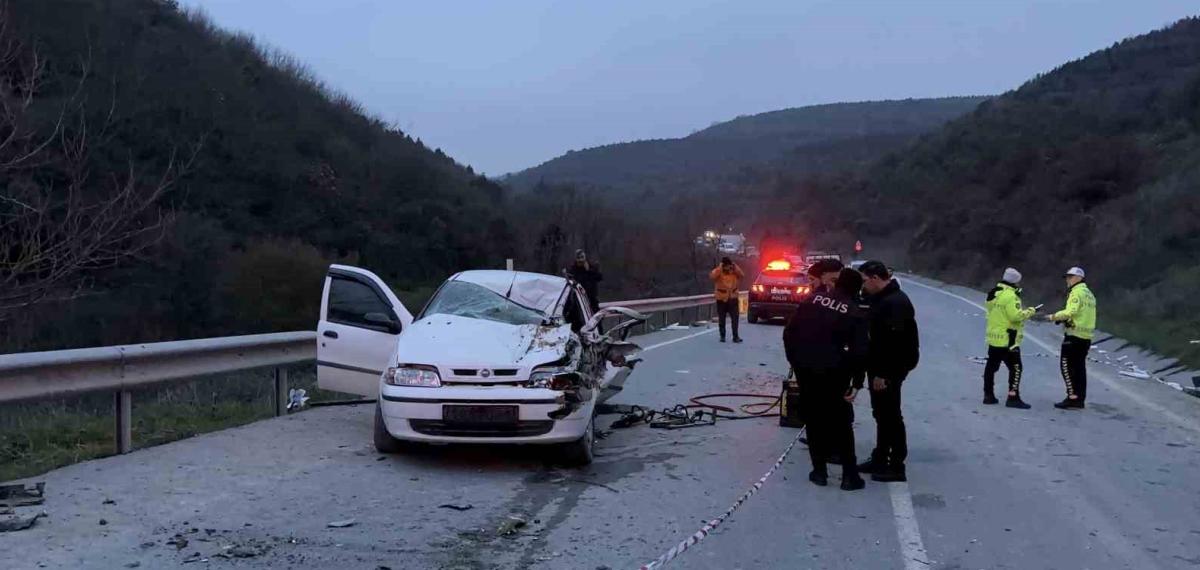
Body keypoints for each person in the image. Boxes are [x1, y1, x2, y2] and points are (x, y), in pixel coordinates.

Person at [783, 267, 868, 491]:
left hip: (806, 370)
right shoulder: (855, 312)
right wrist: (857, 383)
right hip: (836, 373)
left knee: (813, 421)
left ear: (838, 283)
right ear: (856, 289)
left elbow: (789, 333)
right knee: (842, 424)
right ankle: (849, 476)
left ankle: (819, 472)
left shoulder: (811, 300)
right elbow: (860, 352)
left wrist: (795, 361)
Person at [856, 260, 919, 483]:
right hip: (878, 365)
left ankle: (896, 465)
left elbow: (894, 343)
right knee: (881, 414)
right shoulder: (881, 299)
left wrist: (883, 374)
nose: (862, 285)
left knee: (890, 415)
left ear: (875, 278)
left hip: (891, 367)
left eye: (864, 280)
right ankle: (880, 457)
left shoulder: (895, 303)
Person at [982, 268, 1036, 409]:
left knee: (991, 367)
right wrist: (1031, 311)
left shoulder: (994, 293)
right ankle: (1013, 397)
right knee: (1016, 368)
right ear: (1015, 282)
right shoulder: (1011, 296)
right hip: (1008, 339)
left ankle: (988, 395)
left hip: (994, 337)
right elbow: (1015, 316)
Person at [1050, 266, 1096, 410]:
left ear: (1078, 278)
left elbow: (1070, 311)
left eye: (1070, 277)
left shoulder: (1076, 292)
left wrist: (1053, 317)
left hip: (1074, 336)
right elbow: (1082, 314)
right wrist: (1067, 320)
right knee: (1080, 368)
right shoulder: (1090, 294)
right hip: (1086, 337)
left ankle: (1072, 397)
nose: (1067, 280)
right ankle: (1080, 399)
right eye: (1067, 278)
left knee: (1066, 366)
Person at [710, 257, 744, 343]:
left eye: (730, 266)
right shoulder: (718, 271)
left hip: (733, 298)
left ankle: (735, 336)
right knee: (722, 319)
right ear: (723, 265)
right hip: (721, 299)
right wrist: (720, 268)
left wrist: (735, 266)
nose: (728, 268)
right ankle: (722, 336)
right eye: (727, 266)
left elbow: (742, 275)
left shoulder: (734, 271)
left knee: (735, 319)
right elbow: (712, 276)